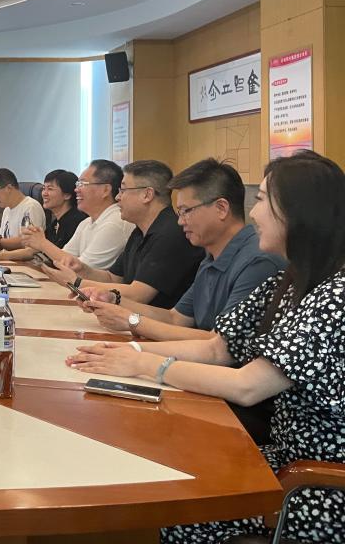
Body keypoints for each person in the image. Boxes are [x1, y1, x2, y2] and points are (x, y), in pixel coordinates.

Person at [67, 150, 345, 544]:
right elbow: (218, 348)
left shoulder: (335, 296)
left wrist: (146, 366)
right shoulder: (290, 282)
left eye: (263, 200)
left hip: (311, 484)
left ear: (300, 213)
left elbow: (248, 385)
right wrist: (130, 356)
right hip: (278, 460)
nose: (254, 214)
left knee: (175, 506)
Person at [75, 158, 284, 341]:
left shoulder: (257, 261)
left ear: (221, 208)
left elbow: (218, 344)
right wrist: (115, 300)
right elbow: (176, 318)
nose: (180, 221)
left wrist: (131, 321)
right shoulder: (211, 256)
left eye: (186, 211)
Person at [41, 160, 205, 311]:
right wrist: (83, 269)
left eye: (124, 190)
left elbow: (138, 294)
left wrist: (77, 282)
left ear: (147, 195)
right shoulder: (139, 230)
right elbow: (113, 278)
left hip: (157, 325)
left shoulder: (170, 232)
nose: (118, 197)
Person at [21, 159, 134, 269]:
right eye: (77, 184)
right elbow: (64, 258)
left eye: (82, 184)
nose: (76, 190)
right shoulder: (86, 223)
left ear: (105, 190)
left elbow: (81, 268)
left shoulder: (114, 223)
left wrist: (42, 243)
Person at [0, 169, 86, 261]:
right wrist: (0, 256)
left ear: (67, 195)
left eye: (50, 189)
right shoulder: (55, 224)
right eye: (44, 188)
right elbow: (34, 250)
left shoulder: (77, 222)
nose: (44, 193)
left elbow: (66, 260)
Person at [0, 167, 45, 251]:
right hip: (8, 257)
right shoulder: (7, 209)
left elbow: (27, 242)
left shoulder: (30, 207)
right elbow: (4, 242)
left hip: (22, 259)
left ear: (9, 188)